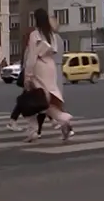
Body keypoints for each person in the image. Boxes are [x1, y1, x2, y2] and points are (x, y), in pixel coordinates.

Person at [23, 8, 73, 142]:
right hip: (50, 67)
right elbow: (55, 51)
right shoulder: (51, 34)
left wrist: (28, 75)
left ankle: (34, 130)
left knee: (34, 99)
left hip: (38, 67)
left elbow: (32, 56)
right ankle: (62, 119)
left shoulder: (34, 35)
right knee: (46, 100)